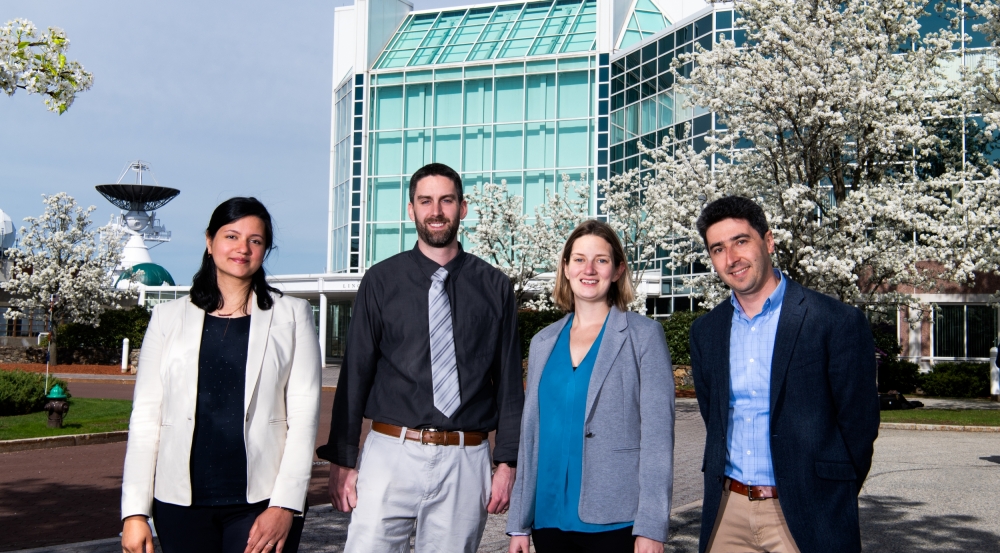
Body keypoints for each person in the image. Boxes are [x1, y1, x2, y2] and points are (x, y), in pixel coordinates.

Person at [316, 162, 524, 552]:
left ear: (462, 208)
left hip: (466, 458)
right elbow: (354, 375)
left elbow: (510, 383)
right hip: (390, 453)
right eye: (425, 201)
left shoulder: (495, 286)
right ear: (411, 209)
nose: (436, 211)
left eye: (446, 200)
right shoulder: (380, 281)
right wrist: (342, 461)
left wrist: (507, 463)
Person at [120, 198, 322, 553]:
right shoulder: (167, 319)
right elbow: (146, 418)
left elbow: (304, 419)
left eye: (255, 240)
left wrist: (286, 504)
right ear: (209, 241)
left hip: (262, 501)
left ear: (265, 249)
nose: (242, 248)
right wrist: (134, 512)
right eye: (231, 236)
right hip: (179, 504)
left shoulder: (292, 315)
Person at [689, 196, 879, 553]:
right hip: (728, 512)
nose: (732, 258)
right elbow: (713, 415)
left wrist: (829, 490)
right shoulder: (706, 332)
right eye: (718, 249)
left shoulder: (834, 321)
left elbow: (859, 423)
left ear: (769, 241)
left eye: (741, 241)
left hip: (808, 512)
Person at [507, 219, 675, 553]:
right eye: (580, 259)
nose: (590, 269)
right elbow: (530, 438)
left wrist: (652, 526)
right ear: (566, 268)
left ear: (617, 270)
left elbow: (658, 440)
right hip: (548, 517)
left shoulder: (644, 336)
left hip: (616, 518)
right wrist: (518, 525)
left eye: (601, 260)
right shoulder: (543, 342)